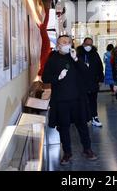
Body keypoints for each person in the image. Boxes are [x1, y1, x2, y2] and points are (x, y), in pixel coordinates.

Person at [42, 35, 97, 165]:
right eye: (64, 42)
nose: (67, 44)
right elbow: (45, 78)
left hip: (78, 99)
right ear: (58, 45)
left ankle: (87, 149)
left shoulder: (75, 57)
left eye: (69, 42)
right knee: (64, 128)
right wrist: (58, 77)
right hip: (61, 100)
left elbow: (86, 72)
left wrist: (76, 59)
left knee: (82, 125)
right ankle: (67, 153)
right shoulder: (52, 58)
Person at [77, 37, 104, 127]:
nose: (89, 46)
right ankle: (83, 118)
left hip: (93, 82)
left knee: (93, 101)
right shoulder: (78, 54)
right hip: (81, 83)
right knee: (82, 101)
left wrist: (100, 79)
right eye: (87, 44)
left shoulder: (95, 54)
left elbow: (100, 67)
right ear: (83, 44)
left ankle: (94, 117)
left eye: (90, 44)